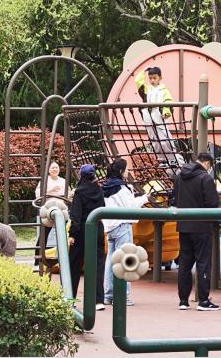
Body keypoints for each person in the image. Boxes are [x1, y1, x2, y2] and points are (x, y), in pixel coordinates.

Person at [171, 153, 220, 311]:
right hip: (201, 226)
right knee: (203, 262)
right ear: (207, 163)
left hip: (183, 225)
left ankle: (183, 300)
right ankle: (203, 300)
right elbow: (212, 203)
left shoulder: (179, 176)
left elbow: (174, 199)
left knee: (185, 263)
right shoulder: (205, 178)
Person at [102, 158, 149, 307]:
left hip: (110, 226)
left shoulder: (107, 185)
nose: (128, 171)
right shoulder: (121, 187)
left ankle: (108, 294)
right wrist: (144, 198)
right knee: (126, 260)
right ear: (121, 171)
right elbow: (130, 207)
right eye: (127, 169)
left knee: (111, 260)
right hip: (122, 225)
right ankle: (123, 295)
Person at [68, 164, 106, 310]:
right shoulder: (99, 190)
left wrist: (72, 234)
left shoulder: (79, 191)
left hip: (82, 230)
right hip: (97, 227)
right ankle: (98, 300)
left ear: (81, 176)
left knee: (74, 264)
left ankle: (70, 298)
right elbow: (102, 206)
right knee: (97, 264)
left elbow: (76, 215)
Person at [135, 66, 184, 169]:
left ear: (160, 78)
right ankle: (162, 160)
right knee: (154, 140)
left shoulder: (163, 90)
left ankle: (173, 159)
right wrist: (144, 70)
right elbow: (138, 81)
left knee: (164, 138)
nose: (152, 80)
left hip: (159, 116)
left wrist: (166, 112)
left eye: (155, 78)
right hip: (148, 117)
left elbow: (168, 101)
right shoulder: (146, 89)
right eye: (150, 78)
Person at [34, 161, 66, 266]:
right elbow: (38, 195)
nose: (55, 169)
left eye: (56, 167)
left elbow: (67, 194)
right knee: (43, 235)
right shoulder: (44, 181)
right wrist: (52, 190)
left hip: (61, 211)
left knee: (63, 234)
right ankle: (37, 260)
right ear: (48, 170)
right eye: (53, 168)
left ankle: (63, 259)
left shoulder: (63, 181)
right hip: (47, 211)